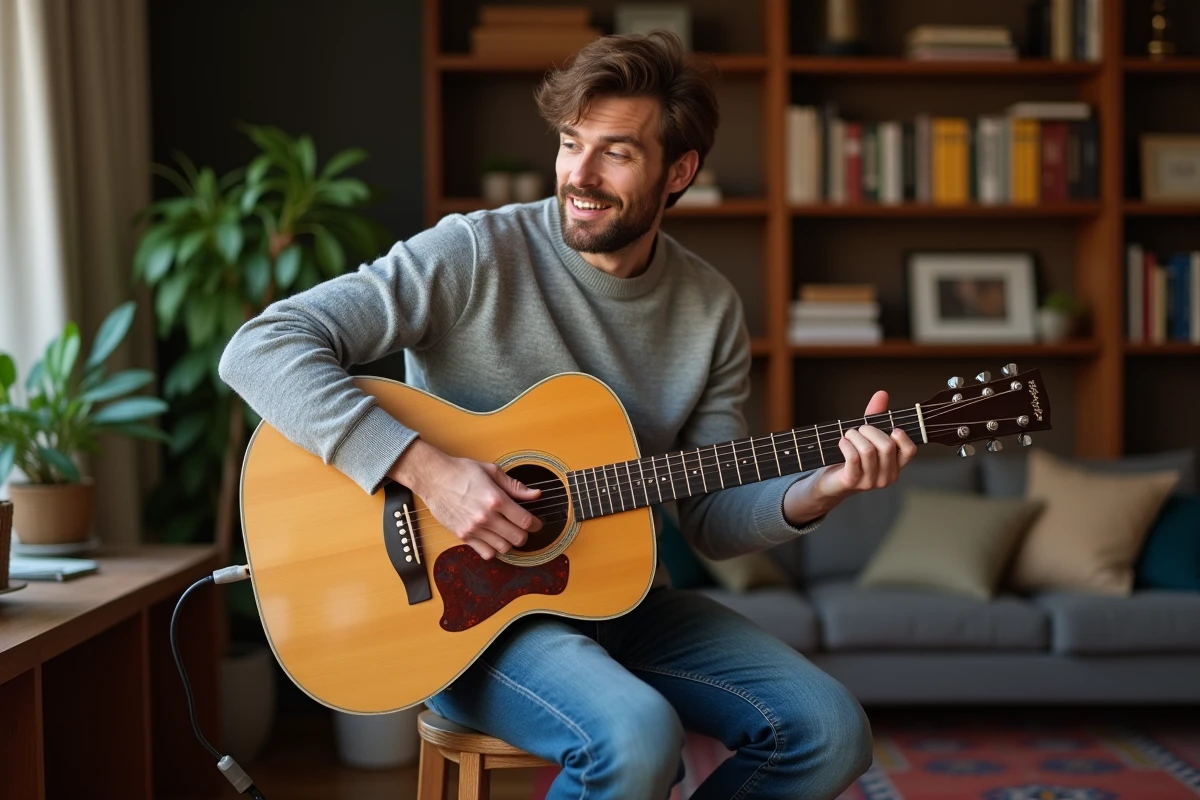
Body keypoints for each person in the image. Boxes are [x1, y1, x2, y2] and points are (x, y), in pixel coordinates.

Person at [219, 31, 916, 800]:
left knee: (829, 729)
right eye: (569, 142)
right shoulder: (475, 253)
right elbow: (261, 346)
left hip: (617, 601)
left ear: (678, 171)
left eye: (615, 152)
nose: (578, 176)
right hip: (463, 619)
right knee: (636, 736)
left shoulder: (709, 307)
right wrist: (429, 471)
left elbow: (711, 515)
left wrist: (819, 491)